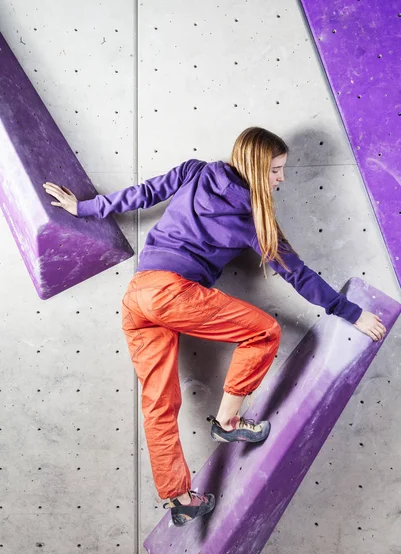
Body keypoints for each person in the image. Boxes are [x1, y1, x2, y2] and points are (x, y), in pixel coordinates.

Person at [43, 126, 386, 527]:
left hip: (137, 296)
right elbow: (300, 275)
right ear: (257, 167)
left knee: (158, 403)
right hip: (172, 293)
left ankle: (180, 498)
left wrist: (84, 209)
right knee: (263, 332)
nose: (281, 179)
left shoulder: (195, 171)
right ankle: (228, 422)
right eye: (276, 170)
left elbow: (143, 193)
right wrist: (351, 312)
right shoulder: (255, 219)